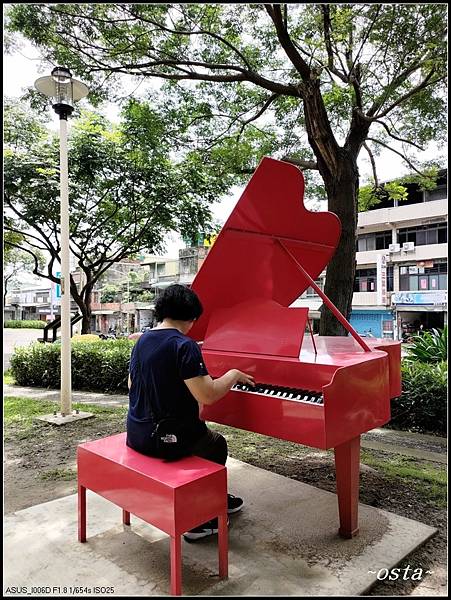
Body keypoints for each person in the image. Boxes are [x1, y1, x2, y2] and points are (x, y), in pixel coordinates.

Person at [126, 284, 255, 541]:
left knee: (201, 435)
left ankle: (213, 495)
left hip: (137, 432)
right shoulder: (184, 345)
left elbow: (132, 384)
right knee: (216, 445)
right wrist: (233, 375)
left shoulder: (143, 340)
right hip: (164, 440)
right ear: (192, 317)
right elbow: (207, 395)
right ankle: (201, 517)